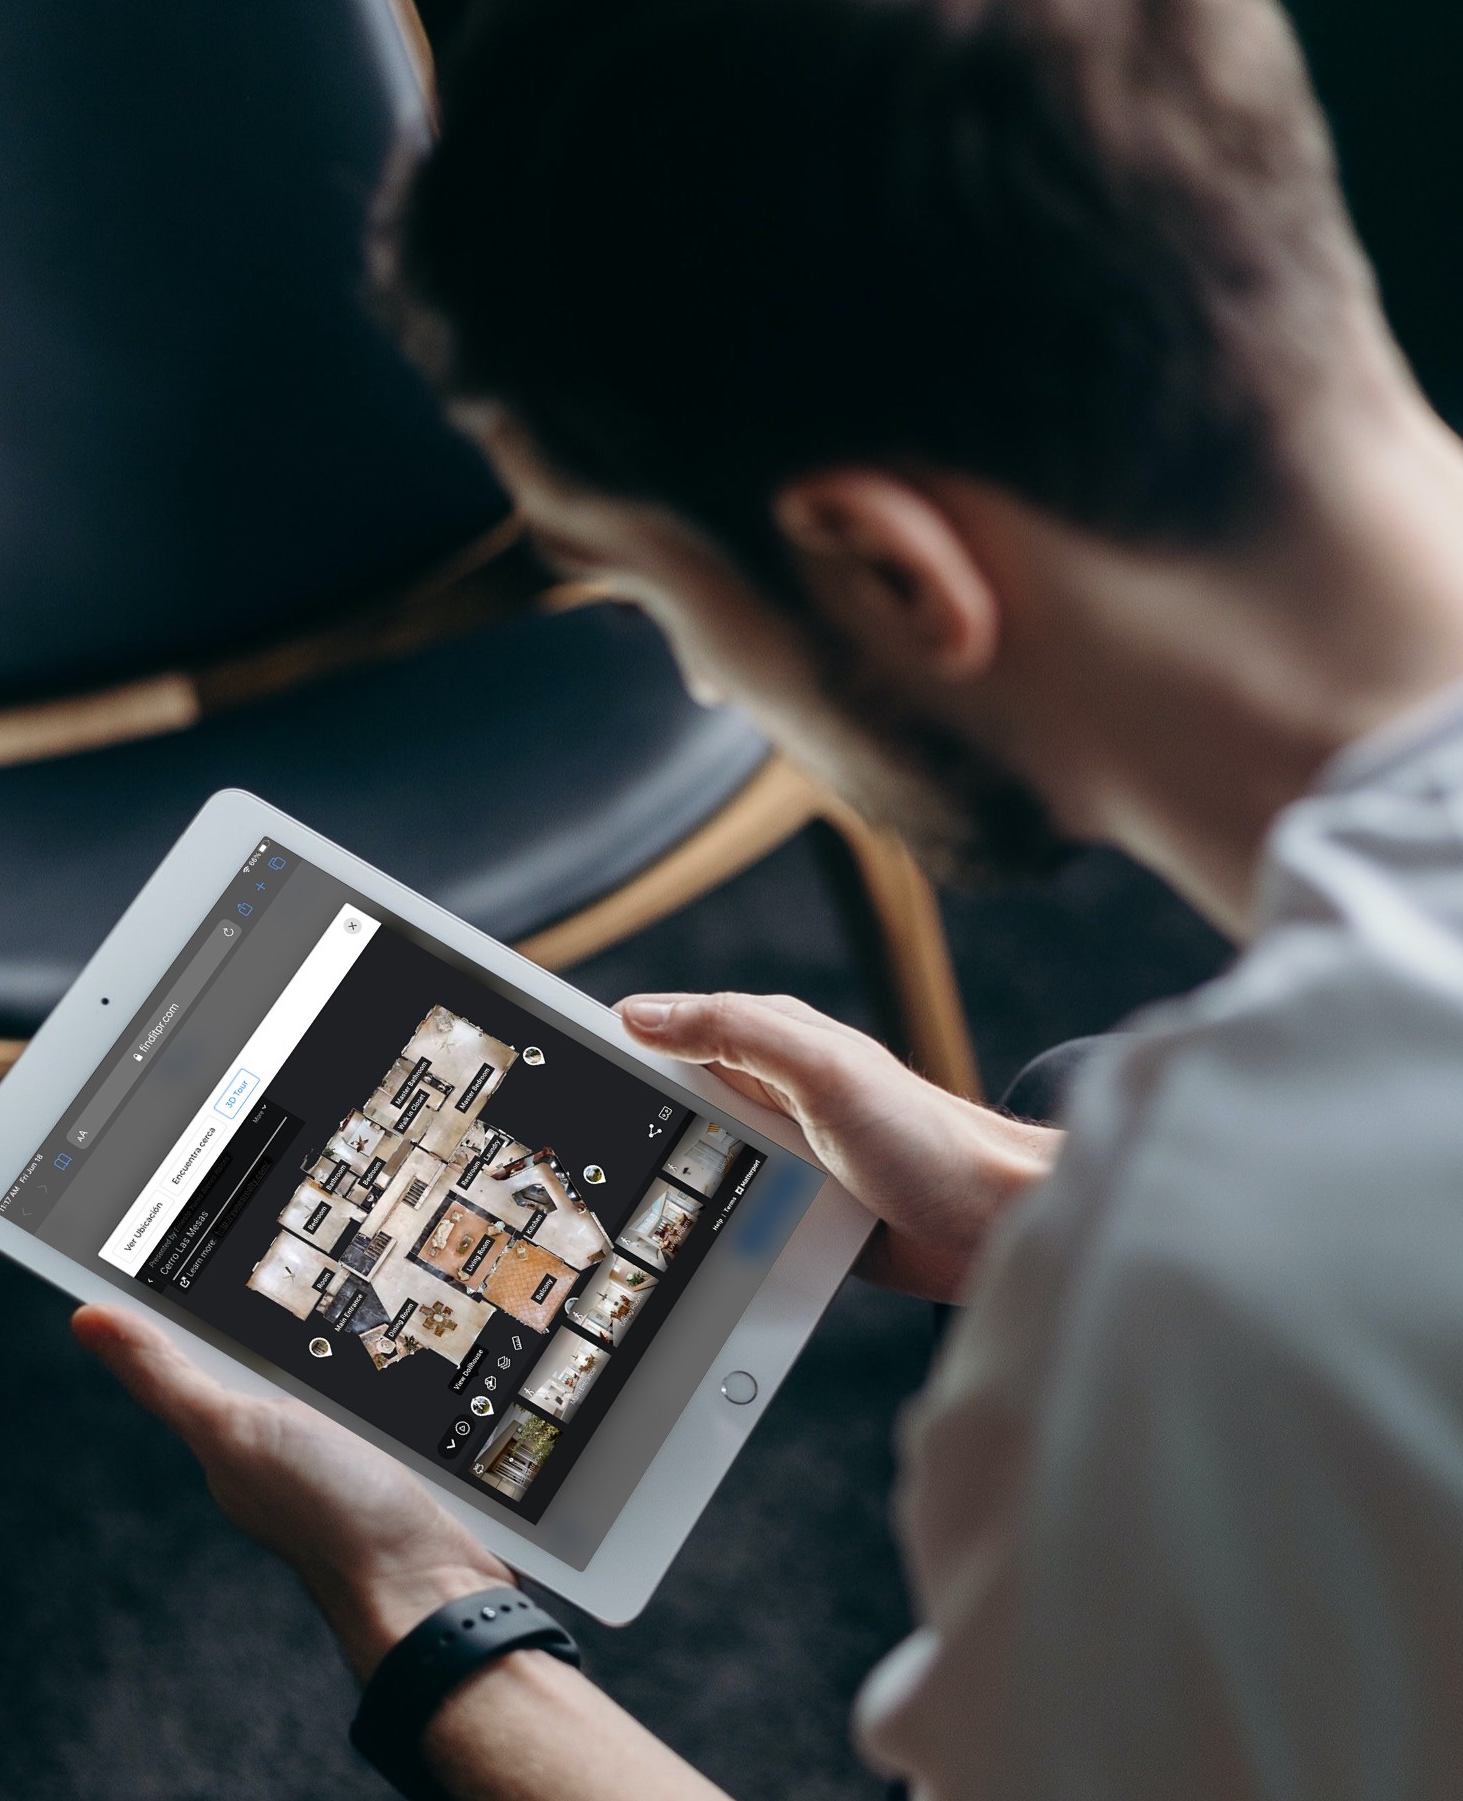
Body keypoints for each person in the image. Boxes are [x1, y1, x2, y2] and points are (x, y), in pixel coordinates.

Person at [74, 0, 1463, 1793]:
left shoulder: (1197, 1318)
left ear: (883, 567)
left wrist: (416, 1605)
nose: (707, 684)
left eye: (658, 595)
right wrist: (1038, 1195)